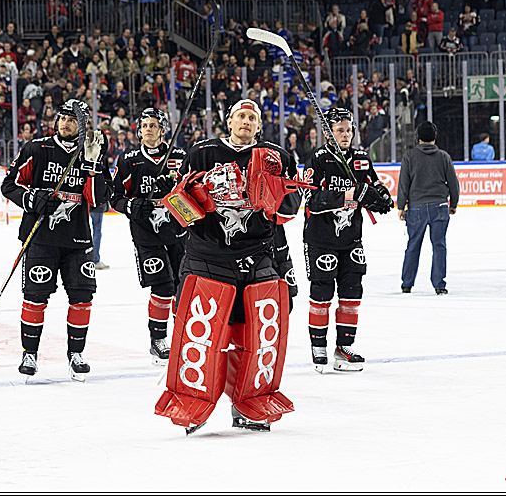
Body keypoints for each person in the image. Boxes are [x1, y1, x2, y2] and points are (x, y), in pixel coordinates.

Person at [155, 99, 308, 434]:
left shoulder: (277, 156)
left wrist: (275, 192)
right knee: (204, 336)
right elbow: (177, 210)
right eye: (240, 116)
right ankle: (195, 404)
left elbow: (290, 209)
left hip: (257, 257)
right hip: (207, 257)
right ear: (228, 121)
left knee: (256, 334)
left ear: (258, 125)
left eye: (252, 117)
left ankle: (248, 404)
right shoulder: (202, 153)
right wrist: (198, 193)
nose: (246, 121)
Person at [1, 99, 110, 381]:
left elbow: (97, 199)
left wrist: (94, 164)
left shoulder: (91, 153)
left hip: (77, 240)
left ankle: (76, 354)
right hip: (40, 238)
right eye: (62, 118)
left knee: (82, 297)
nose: (65, 123)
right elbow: (9, 184)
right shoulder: (37, 148)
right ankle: (29, 353)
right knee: (35, 297)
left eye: (72, 120)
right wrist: (33, 199)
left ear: (83, 126)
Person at [301, 108, 393, 374]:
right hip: (321, 240)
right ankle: (318, 346)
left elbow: (374, 187)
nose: (346, 134)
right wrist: (349, 194)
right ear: (328, 133)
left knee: (352, 294)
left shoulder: (362, 159)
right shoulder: (317, 159)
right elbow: (311, 201)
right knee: (321, 294)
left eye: (348, 130)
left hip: (352, 239)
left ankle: (344, 348)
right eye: (339, 130)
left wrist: (381, 197)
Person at [110, 107, 186, 364]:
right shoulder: (129, 160)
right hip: (146, 231)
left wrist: (175, 189)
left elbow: (195, 191)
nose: (148, 129)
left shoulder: (179, 156)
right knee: (162, 286)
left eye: (153, 125)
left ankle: (183, 337)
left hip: (178, 229)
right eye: (144, 125)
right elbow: (115, 197)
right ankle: (158, 339)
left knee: (183, 285)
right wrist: (131, 206)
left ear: (163, 129)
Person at [397, 121, 459, 295]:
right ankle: (439, 284)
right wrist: (453, 204)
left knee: (413, 245)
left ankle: (407, 283)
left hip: (416, 207)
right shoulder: (444, 156)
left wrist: (401, 206)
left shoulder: (409, 156)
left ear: (418, 137)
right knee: (439, 245)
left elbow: (404, 184)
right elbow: (453, 183)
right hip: (440, 205)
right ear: (434, 137)